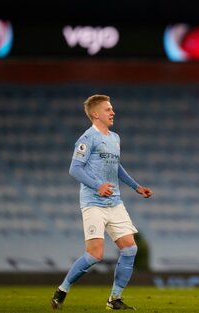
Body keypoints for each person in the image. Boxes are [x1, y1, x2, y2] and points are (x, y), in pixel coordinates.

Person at [51, 94, 153, 310]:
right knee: (94, 255)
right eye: (108, 109)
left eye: (112, 109)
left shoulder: (115, 138)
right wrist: (98, 186)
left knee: (129, 249)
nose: (112, 112)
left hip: (114, 203)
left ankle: (114, 299)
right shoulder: (87, 139)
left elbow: (116, 167)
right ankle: (63, 289)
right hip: (93, 203)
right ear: (95, 114)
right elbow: (75, 169)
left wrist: (136, 186)